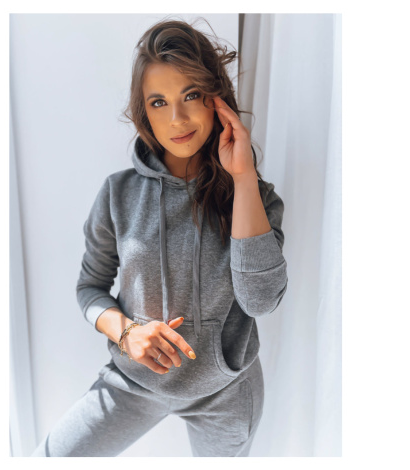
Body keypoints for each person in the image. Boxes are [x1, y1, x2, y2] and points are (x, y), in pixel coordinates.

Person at [31, 17, 288, 458]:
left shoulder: (255, 197)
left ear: (216, 99)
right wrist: (127, 332)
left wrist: (243, 178)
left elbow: (261, 301)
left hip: (226, 392)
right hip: (133, 381)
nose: (177, 119)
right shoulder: (118, 194)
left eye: (192, 95)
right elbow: (90, 288)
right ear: (143, 112)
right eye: (158, 102)